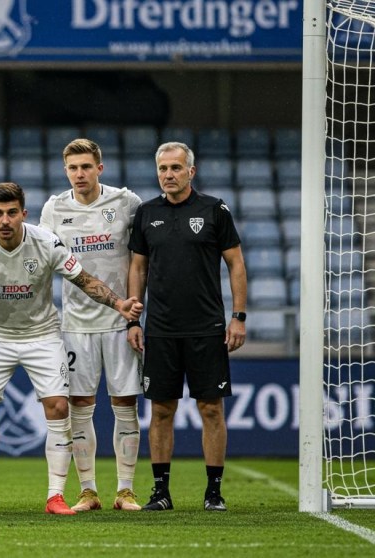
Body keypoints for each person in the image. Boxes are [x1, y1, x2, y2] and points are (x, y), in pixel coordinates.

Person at [0, 182, 142, 515]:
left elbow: (85, 280)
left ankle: (55, 497)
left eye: (12, 213)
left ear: (23, 214)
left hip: (42, 335)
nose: (5, 220)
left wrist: (118, 303)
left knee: (58, 406)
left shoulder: (46, 242)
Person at [127, 142, 247, 512]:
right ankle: (160, 492)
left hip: (206, 327)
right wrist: (133, 320)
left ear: (190, 171)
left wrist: (238, 316)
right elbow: (138, 267)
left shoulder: (214, 209)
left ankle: (214, 492)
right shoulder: (146, 212)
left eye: (176, 168)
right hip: (160, 328)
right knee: (161, 411)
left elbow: (236, 263)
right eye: (163, 169)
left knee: (211, 409)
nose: (168, 175)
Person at [39, 138, 144, 512]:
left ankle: (125, 490)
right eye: (73, 167)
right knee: (79, 406)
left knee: (125, 403)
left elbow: (140, 260)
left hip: (120, 322)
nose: (79, 173)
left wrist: (135, 315)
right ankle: (88, 491)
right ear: (65, 170)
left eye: (86, 166)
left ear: (100, 168)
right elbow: (43, 260)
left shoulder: (126, 203)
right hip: (76, 325)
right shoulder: (54, 208)